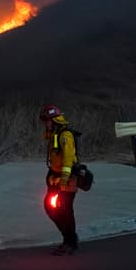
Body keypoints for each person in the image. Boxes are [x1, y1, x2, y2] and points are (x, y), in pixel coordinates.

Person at [40, 103, 80, 255]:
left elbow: (69, 159)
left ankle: (70, 242)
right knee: (50, 207)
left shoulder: (65, 135)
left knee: (65, 211)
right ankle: (68, 238)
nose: (45, 124)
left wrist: (64, 179)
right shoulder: (56, 134)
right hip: (55, 177)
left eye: (47, 121)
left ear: (54, 120)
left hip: (67, 179)